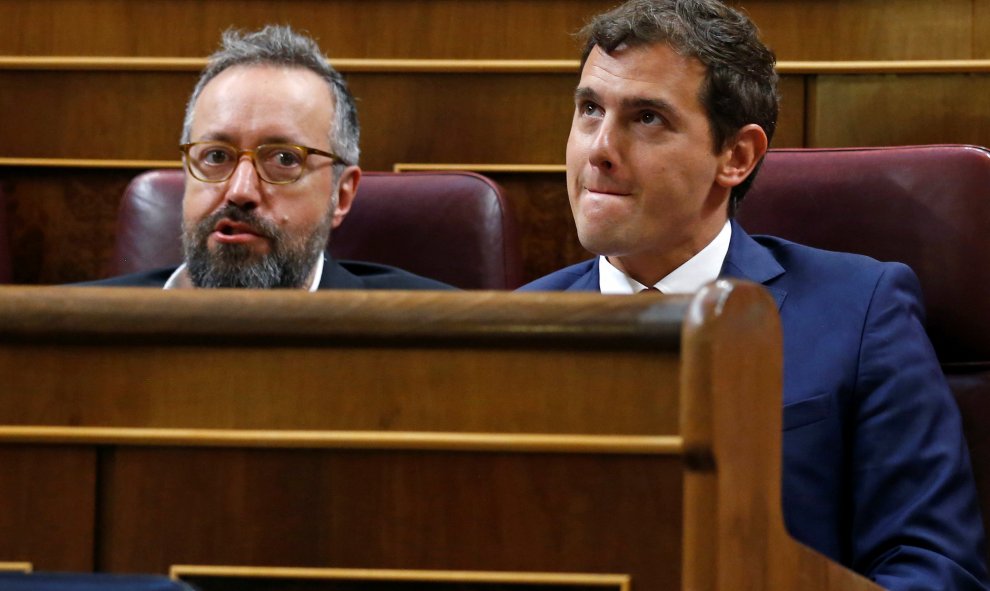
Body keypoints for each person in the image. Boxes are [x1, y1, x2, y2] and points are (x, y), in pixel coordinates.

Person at [519, 0, 989, 588]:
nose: (599, 149)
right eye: (590, 110)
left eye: (646, 118)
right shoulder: (517, 325)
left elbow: (935, 567)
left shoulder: (862, 311)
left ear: (736, 157)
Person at [88, 25, 450, 290]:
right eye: (216, 155)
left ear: (341, 195)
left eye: (284, 159)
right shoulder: (74, 332)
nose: (239, 191)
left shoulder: (437, 333)